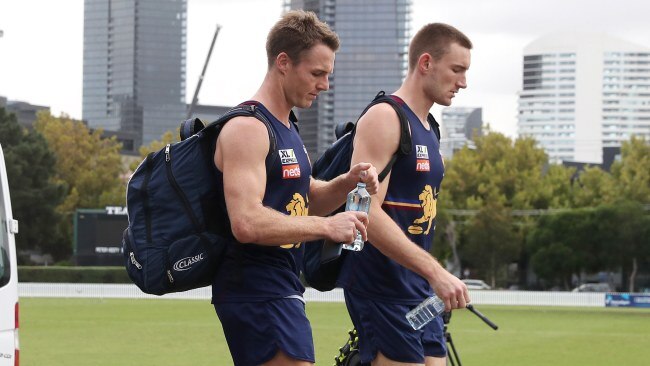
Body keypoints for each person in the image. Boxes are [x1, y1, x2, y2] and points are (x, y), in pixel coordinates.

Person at [211, 10, 379, 366]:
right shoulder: (248, 128)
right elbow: (247, 222)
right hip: (254, 289)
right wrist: (327, 227)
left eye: (328, 75)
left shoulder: (286, 126)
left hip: (281, 285)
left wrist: (346, 183)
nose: (325, 85)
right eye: (317, 73)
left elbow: (304, 200)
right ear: (283, 62)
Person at [337, 23, 473, 366]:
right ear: (425, 63)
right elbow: (362, 210)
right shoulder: (386, 117)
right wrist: (436, 271)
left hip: (418, 291)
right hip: (381, 288)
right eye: (456, 70)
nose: (463, 82)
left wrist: (430, 276)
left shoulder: (430, 128)